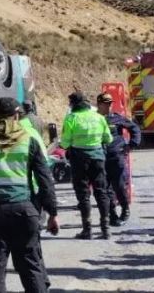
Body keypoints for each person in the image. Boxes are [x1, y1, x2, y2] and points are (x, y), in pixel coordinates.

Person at [0, 98, 58, 293]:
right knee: (30, 266)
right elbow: (45, 179)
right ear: (17, 115)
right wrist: (52, 212)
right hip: (24, 208)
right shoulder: (30, 136)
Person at [60, 91, 113, 239]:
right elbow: (108, 139)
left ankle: (87, 229)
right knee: (101, 192)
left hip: (79, 159)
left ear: (73, 104)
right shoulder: (99, 117)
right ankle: (105, 229)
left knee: (83, 194)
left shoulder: (71, 118)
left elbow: (64, 143)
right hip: (98, 158)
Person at [96, 93, 141, 227]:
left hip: (116, 156)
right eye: (106, 103)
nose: (109, 106)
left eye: (110, 103)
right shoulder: (94, 119)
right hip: (100, 157)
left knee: (119, 186)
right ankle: (112, 214)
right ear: (99, 104)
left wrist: (131, 144)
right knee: (105, 188)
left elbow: (135, 129)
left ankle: (125, 208)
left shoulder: (116, 118)